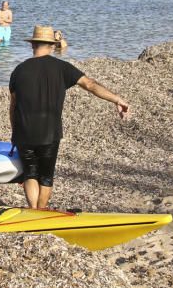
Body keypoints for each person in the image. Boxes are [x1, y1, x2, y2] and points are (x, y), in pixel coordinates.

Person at [9, 25, 130, 209]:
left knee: (30, 173)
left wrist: (15, 132)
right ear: (51, 46)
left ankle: (33, 211)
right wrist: (117, 99)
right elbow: (90, 84)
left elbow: (13, 106)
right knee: (46, 175)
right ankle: (41, 210)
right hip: (50, 132)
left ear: (32, 45)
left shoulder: (19, 70)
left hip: (24, 132)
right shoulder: (62, 67)